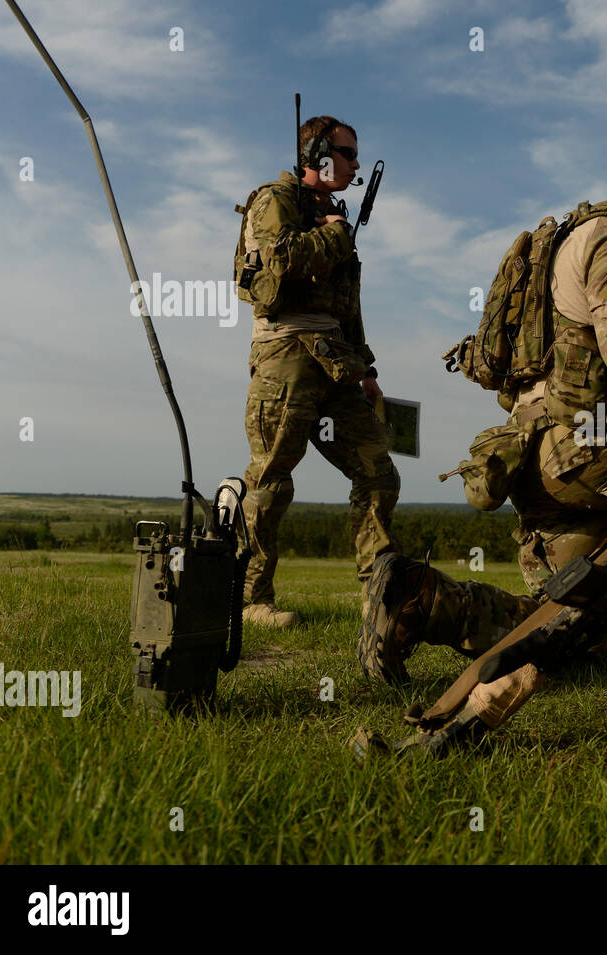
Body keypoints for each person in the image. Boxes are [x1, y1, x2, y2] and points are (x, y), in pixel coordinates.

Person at [360, 156, 607, 687]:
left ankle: (419, 598)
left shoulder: (574, 241)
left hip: (535, 456)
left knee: (572, 641)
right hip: (591, 447)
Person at [236, 115, 400, 628]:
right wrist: (332, 237)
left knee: (378, 473)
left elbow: (347, 304)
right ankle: (250, 600)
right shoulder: (275, 199)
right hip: (285, 356)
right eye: (348, 153)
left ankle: (379, 593)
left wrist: (365, 366)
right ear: (317, 155)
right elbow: (277, 264)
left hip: (334, 360)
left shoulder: (333, 215)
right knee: (271, 479)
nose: (354, 164)